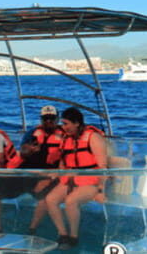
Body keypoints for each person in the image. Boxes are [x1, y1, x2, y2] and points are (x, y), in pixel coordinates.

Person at [44, 107, 108, 250]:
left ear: (77, 123)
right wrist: (58, 173)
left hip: (91, 181)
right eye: (63, 123)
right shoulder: (66, 138)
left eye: (66, 124)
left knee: (71, 201)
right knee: (50, 199)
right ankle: (63, 234)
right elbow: (64, 161)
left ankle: (74, 237)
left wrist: (100, 190)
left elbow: (103, 167)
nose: (63, 127)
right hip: (71, 178)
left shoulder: (93, 137)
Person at [19, 105, 65, 234]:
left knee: (45, 195)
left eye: (52, 118)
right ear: (41, 119)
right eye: (46, 119)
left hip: (57, 174)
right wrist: (30, 150)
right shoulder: (32, 134)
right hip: (34, 173)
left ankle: (32, 229)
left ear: (57, 119)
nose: (49, 121)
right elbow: (22, 152)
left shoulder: (65, 135)